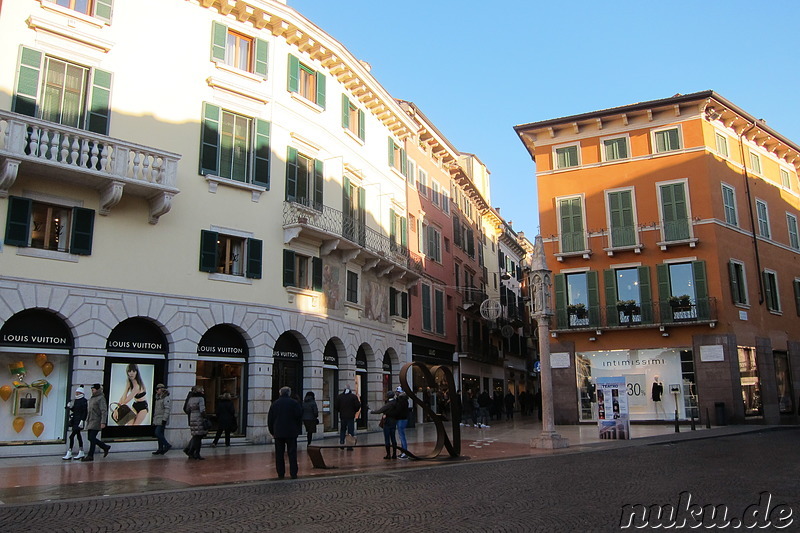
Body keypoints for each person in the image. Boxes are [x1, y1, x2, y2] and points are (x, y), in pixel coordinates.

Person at [267, 386, 303, 479]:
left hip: (278, 432)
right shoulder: (294, 403)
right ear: (289, 393)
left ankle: (280, 473)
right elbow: (299, 416)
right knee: (292, 453)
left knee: (279, 454)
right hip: (291, 432)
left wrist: (272, 431)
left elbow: (270, 419)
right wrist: (297, 429)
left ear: (280, 393)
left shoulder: (274, 404)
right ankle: (293, 473)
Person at [81, 383, 110, 461]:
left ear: (97, 390)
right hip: (91, 420)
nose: (92, 391)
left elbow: (104, 411)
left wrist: (103, 422)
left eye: (93, 389)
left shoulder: (101, 398)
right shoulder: (92, 398)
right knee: (90, 438)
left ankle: (101, 448)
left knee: (91, 437)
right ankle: (98, 451)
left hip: (97, 420)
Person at [373, 390, 400, 459]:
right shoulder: (396, 403)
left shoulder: (389, 404)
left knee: (387, 439)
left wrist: (371, 412)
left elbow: (380, 411)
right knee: (393, 438)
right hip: (394, 421)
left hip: (387, 422)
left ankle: (388, 454)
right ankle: (394, 454)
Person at [63, 385, 88, 460]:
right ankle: (81, 451)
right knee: (78, 435)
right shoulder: (76, 400)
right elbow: (75, 410)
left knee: (72, 436)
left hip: (79, 421)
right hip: (75, 420)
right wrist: (70, 407)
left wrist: (82, 420)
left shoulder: (84, 401)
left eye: (77, 393)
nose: (76, 394)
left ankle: (70, 451)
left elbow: (84, 412)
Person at [184, 385, 208, 460]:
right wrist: (205, 417)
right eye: (202, 391)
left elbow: (187, 409)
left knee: (195, 436)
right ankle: (196, 453)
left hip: (192, 418)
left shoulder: (191, 399)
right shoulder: (201, 399)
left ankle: (190, 451)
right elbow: (202, 410)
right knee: (199, 437)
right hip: (199, 419)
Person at [335, 385, 360, 450]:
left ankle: (342, 442)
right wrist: (354, 411)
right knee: (350, 431)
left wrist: (340, 411)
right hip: (350, 416)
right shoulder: (353, 397)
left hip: (342, 416)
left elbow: (336, 406)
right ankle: (349, 445)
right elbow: (357, 405)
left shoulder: (340, 397)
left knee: (343, 430)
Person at [152, 384, 172, 455]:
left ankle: (167, 445)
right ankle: (160, 448)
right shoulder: (158, 398)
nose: (157, 390)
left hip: (162, 418)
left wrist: (164, 419)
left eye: (158, 389)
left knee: (157, 433)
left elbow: (167, 409)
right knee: (160, 434)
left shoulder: (166, 398)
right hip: (157, 418)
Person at [394, 386, 410, 458]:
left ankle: (404, 452)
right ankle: (403, 451)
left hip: (401, 419)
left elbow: (398, 410)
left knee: (402, 436)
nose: (396, 393)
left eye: (397, 392)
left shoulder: (401, 400)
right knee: (401, 436)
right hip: (403, 418)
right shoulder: (404, 399)